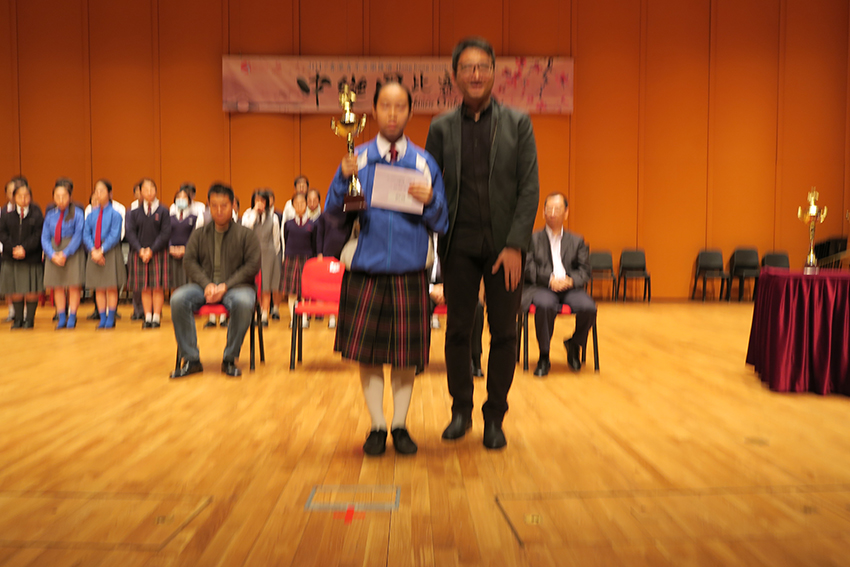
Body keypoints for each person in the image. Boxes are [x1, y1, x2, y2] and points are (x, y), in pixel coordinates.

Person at [425, 36, 539, 450]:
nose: (475, 74)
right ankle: (460, 411)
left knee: (504, 334)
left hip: (504, 249)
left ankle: (495, 417)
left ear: (493, 72)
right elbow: (430, 185)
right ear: (455, 75)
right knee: (458, 331)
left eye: (483, 67)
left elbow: (529, 189)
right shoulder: (441, 127)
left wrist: (515, 245)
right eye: (467, 68)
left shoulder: (517, 123)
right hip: (457, 246)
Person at [327, 81, 448, 456]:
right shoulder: (358, 159)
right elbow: (333, 215)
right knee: (368, 356)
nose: (393, 113)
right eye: (385, 105)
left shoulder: (424, 163)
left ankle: (400, 425)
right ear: (374, 111)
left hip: (409, 274)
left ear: (410, 112)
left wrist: (432, 201)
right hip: (367, 272)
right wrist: (341, 181)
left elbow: (442, 222)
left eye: (400, 106)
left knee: (406, 358)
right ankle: (378, 425)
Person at [170, 183, 261, 379]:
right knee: (178, 299)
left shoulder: (246, 235)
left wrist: (225, 286)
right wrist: (207, 284)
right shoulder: (199, 234)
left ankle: (230, 358)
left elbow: (252, 265)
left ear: (233, 205)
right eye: (214, 206)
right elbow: (189, 261)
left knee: (244, 302)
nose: (219, 210)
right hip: (204, 287)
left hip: (237, 287)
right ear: (208, 206)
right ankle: (191, 359)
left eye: (224, 205)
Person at [522, 193, 597, 375]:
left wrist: (570, 280)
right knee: (545, 305)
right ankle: (544, 355)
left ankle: (574, 344)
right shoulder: (531, 239)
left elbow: (585, 271)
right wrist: (550, 280)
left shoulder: (577, 240)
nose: (553, 213)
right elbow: (528, 268)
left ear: (566, 212)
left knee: (589, 307)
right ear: (543, 212)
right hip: (542, 286)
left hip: (569, 287)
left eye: (557, 209)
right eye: (549, 209)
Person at [126, 178, 171, 328]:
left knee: (157, 287)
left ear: (156, 191)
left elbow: (165, 233)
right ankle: (147, 317)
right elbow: (130, 233)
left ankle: (156, 317)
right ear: (140, 192)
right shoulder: (134, 212)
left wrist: (151, 250)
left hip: (158, 253)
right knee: (144, 287)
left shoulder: (163, 211)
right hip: (139, 253)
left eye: (152, 189)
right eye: (145, 189)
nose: (149, 192)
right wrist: (140, 250)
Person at [41, 178, 86, 329]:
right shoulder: (50, 215)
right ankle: (61, 316)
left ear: (70, 197)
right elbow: (45, 237)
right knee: (57, 286)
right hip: (54, 251)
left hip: (72, 252)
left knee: (73, 286)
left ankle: (72, 316)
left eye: (64, 196)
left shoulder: (77, 213)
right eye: (57, 196)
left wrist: (65, 253)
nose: (61, 200)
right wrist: (52, 254)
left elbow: (79, 235)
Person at [0, 179, 43, 329]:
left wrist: (24, 249)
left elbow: (38, 234)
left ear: (30, 196)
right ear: (14, 197)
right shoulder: (6, 214)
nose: (23, 199)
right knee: (15, 289)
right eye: (19, 196)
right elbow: (2, 234)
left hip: (30, 257)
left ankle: (29, 319)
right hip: (11, 257)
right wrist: (13, 249)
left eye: (26, 195)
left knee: (31, 289)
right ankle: (18, 319)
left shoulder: (36, 213)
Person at [84, 179, 127, 328]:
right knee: (99, 287)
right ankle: (102, 317)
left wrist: (101, 250)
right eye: (96, 191)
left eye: (102, 191)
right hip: (94, 251)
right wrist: (93, 250)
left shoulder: (116, 214)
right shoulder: (91, 215)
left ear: (110, 194)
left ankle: (111, 317)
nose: (98, 194)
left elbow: (115, 235)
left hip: (110, 251)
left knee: (111, 286)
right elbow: (86, 234)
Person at [242, 189, 281, 325]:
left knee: (266, 285)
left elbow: (276, 240)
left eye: (262, 201)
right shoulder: (248, 215)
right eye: (257, 200)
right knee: (253, 285)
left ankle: (264, 315)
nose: (260, 203)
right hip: (251, 254)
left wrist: (274, 256)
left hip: (268, 253)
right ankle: (253, 315)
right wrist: (254, 214)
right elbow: (245, 230)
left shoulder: (273, 217)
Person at [281, 192, 315, 328]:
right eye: (297, 204)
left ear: (306, 205)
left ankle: (305, 319)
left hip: (306, 259)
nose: (300, 206)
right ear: (293, 206)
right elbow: (285, 238)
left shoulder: (312, 224)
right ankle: (293, 319)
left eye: (302, 203)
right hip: (291, 258)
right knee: (292, 292)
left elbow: (314, 242)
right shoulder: (288, 224)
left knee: (305, 292)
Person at [168, 186, 201, 292]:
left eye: (184, 197)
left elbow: (195, 235)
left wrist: (186, 248)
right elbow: (166, 234)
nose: (181, 200)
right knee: (174, 283)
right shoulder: (170, 218)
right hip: (172, 254)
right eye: (179, 197)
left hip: (188, 253)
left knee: (187, 282)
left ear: (189, 201)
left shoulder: (194, 217)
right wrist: (170, 247)